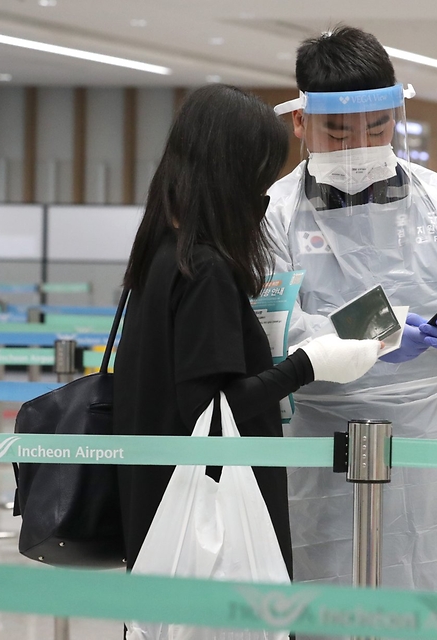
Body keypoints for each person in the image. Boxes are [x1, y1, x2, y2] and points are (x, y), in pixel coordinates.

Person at [265, 26, 437, 600]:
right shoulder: (273, 214)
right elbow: (266, 323)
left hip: (430, 435)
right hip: (321, 435)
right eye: (338, 133)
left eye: (378, 128)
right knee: (328, 599)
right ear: (299, 122)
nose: (360, 148)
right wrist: (376, 333)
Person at [113, 84, 382, 579]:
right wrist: (309, 365)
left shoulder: (160, 253)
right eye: (260, 174)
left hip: (154, 504)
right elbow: (214, 410)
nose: (264, 192)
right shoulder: (205, 270)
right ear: (232, 173)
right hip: (210, 512)